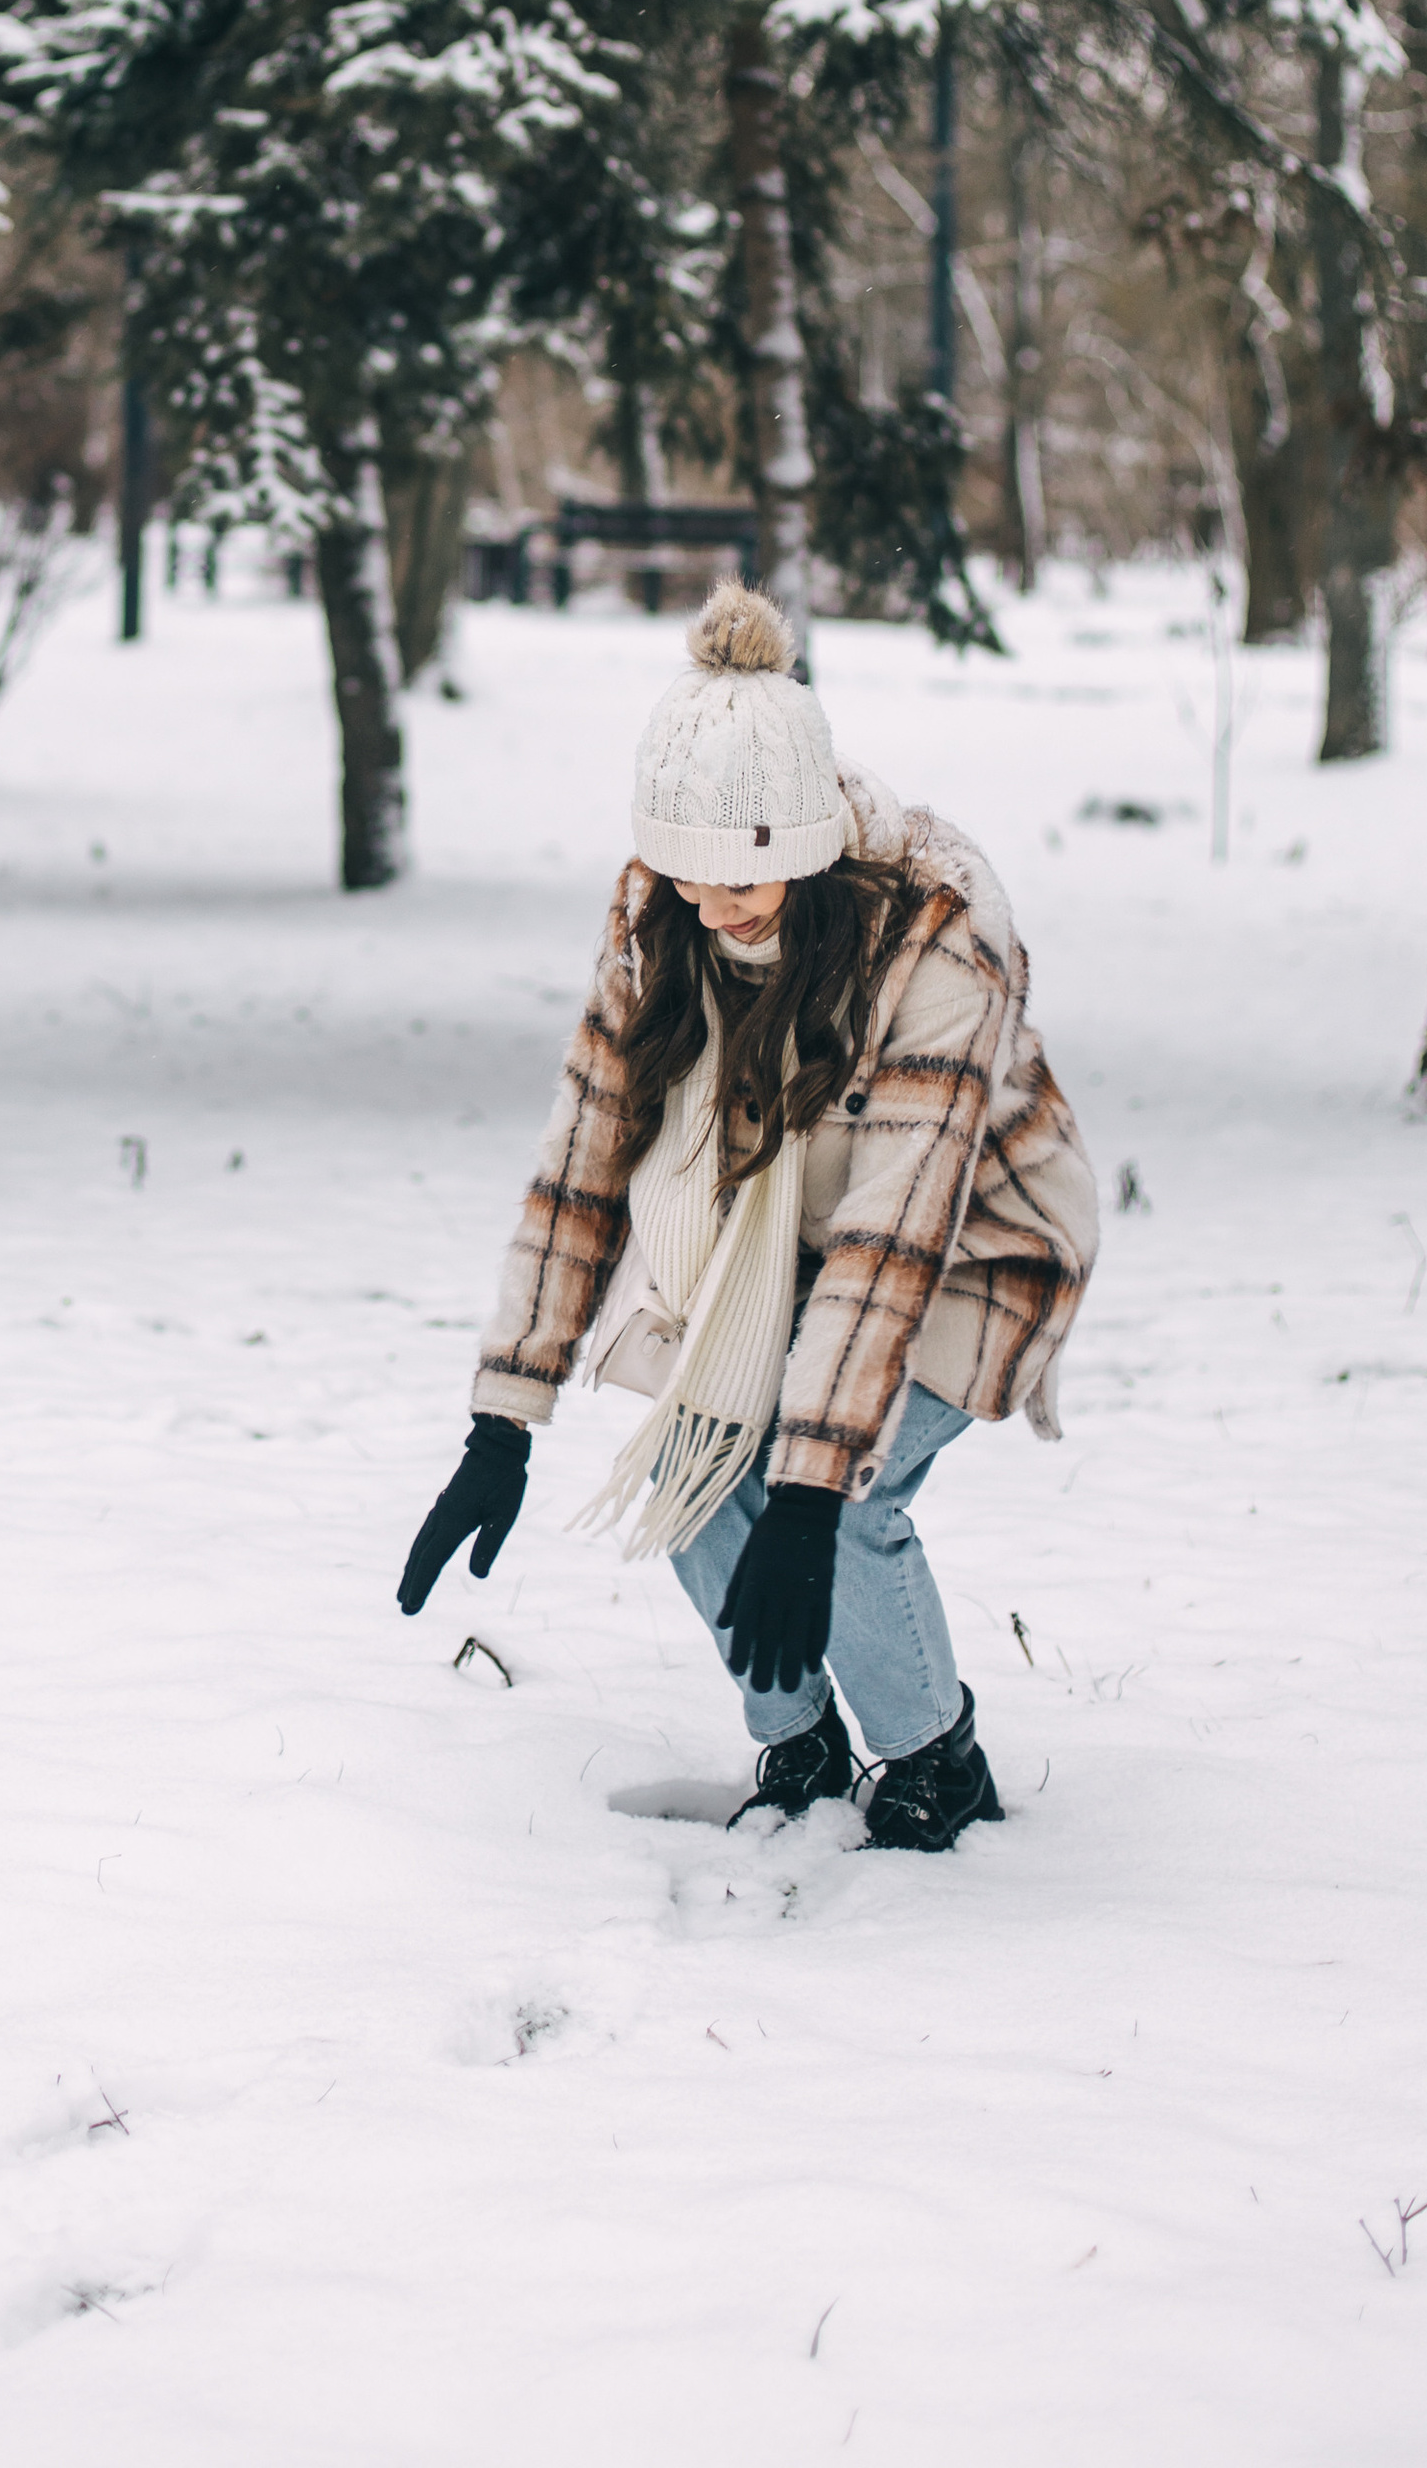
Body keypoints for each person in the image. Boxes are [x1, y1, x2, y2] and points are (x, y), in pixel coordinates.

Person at [398, 581, 1098, 1851]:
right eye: (686, 880)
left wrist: (814, 1496)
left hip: (970, 1250)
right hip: (759, 1237)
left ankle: (932, 1756)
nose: (714, 913)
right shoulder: (659, 910)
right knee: (693, 1463)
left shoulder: (937, 935)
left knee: (835, 1490)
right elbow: (584, 1160)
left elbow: (893, 1246)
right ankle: (798, 1742)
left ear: (809, 849)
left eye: (745, 889)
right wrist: (502, 1420)